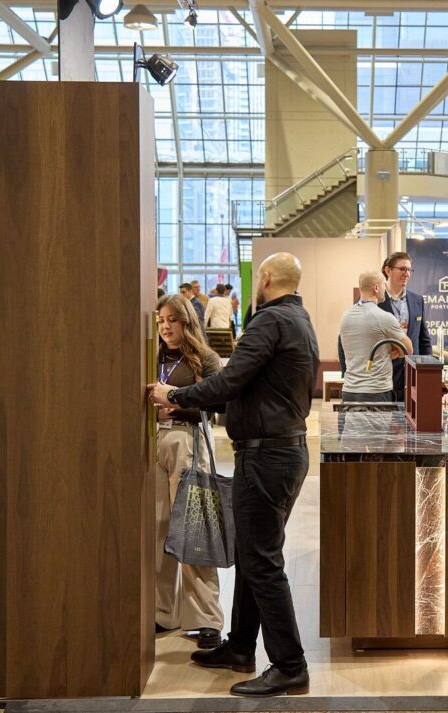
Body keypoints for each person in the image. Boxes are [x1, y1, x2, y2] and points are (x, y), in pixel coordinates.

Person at [148, 252, 319, 697]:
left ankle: (290, 665)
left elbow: (228, 382)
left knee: (261, 561)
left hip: (266, 457)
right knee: (251, 554)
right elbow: (246, 392)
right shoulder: (299, 320)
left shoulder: (269, 321)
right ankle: (241, 646)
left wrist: (174, 395)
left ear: (265, 278)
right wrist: (188, 402)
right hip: (282, 453)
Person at [152, 294, 226, 649]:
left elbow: (218, 401)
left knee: (194, 530)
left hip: (189, 443)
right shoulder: (151, 356)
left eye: (172, 320)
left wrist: (176, 399)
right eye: (161, 321)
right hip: (152, 444)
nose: (165, 327)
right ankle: (162, 612)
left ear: (186, 321)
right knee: (157, 531)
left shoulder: (205, 358)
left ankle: (205, 619)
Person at [339, 271, 412, 402]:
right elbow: (408, 349)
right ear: (376, 288)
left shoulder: (345, 316)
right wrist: (394, 351)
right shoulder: (384, 317)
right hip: (376, 393)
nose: (385, 289)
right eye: (384, 285)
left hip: (349, 391)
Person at [378, 251, 433, 400]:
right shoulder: (375, 300)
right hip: (382, 375)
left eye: (409, 270)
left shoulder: (417, 300)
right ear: (388, 270)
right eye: (402, 269)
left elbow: (424, 339)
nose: (407, 274)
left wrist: (427, 371)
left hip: (411, 375)